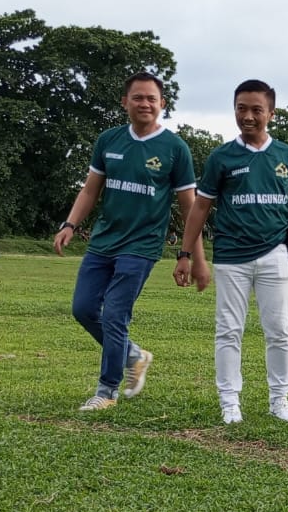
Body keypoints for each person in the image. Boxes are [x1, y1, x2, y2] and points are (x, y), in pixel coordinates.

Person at [54, 71, 202, 412]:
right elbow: (91, 188)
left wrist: (189, 255)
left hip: (142, 245)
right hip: (104, 241)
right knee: (84, 309)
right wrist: (70, 224)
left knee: (115, 314)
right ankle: (134, 354)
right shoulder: (109, 141)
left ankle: (107, 391)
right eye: (138, 97)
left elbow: (189, 206)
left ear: (162, 104)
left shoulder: (175, 149)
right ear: (125, 102)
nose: (145, 104)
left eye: (152, 98)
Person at [175, 79, 288, 425]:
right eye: (241, 109)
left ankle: (279, 399)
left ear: (271, 112)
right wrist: (185, 253)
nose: (248, 116)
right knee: (229, 329)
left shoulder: (287, 155)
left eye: (256, 109)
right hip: (231, 257)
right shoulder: (222, 156)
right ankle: (229, 402)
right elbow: (200, 207)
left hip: (274, 254)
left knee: (279, 329)